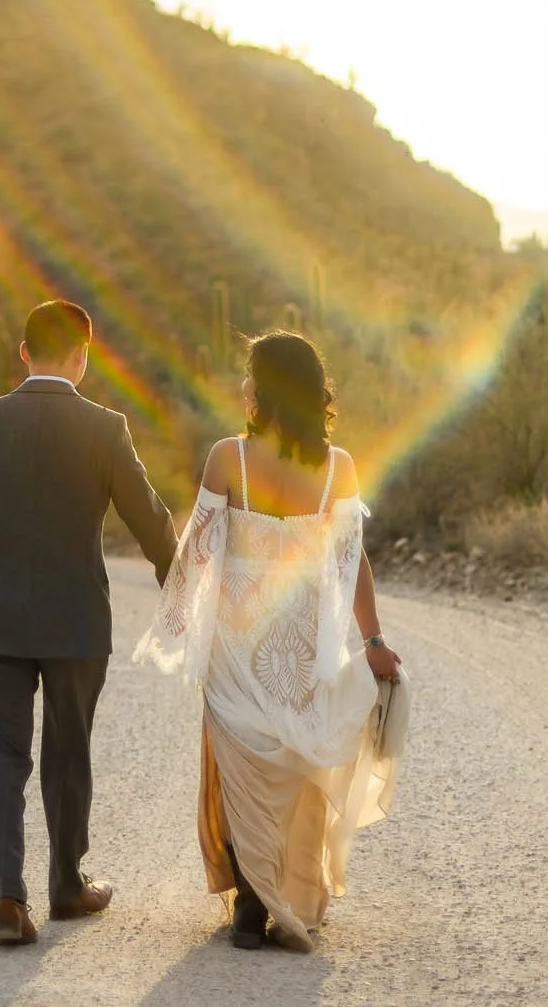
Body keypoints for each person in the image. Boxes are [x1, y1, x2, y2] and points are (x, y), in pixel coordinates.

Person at [135, 329, 409, 952]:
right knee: (294, 764)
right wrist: (372, 640)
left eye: (249, 377)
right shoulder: (338, 468)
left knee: (243, 765)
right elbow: (353, 560)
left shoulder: (226, 458)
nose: (242, 387)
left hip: (238, 642)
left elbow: (198, 550)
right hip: (301, 645)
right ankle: (284, 893)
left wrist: (179, 619)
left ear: (263, 390)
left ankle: (251, 903)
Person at [0, 299, 179, 946]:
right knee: (68, 754)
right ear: (84, 355)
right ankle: (68, 886)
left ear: (23, 353)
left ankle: (8, 898)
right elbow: (148, 514)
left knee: (1, 755)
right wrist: (176, 581)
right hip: (78, 620)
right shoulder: (105, 426)